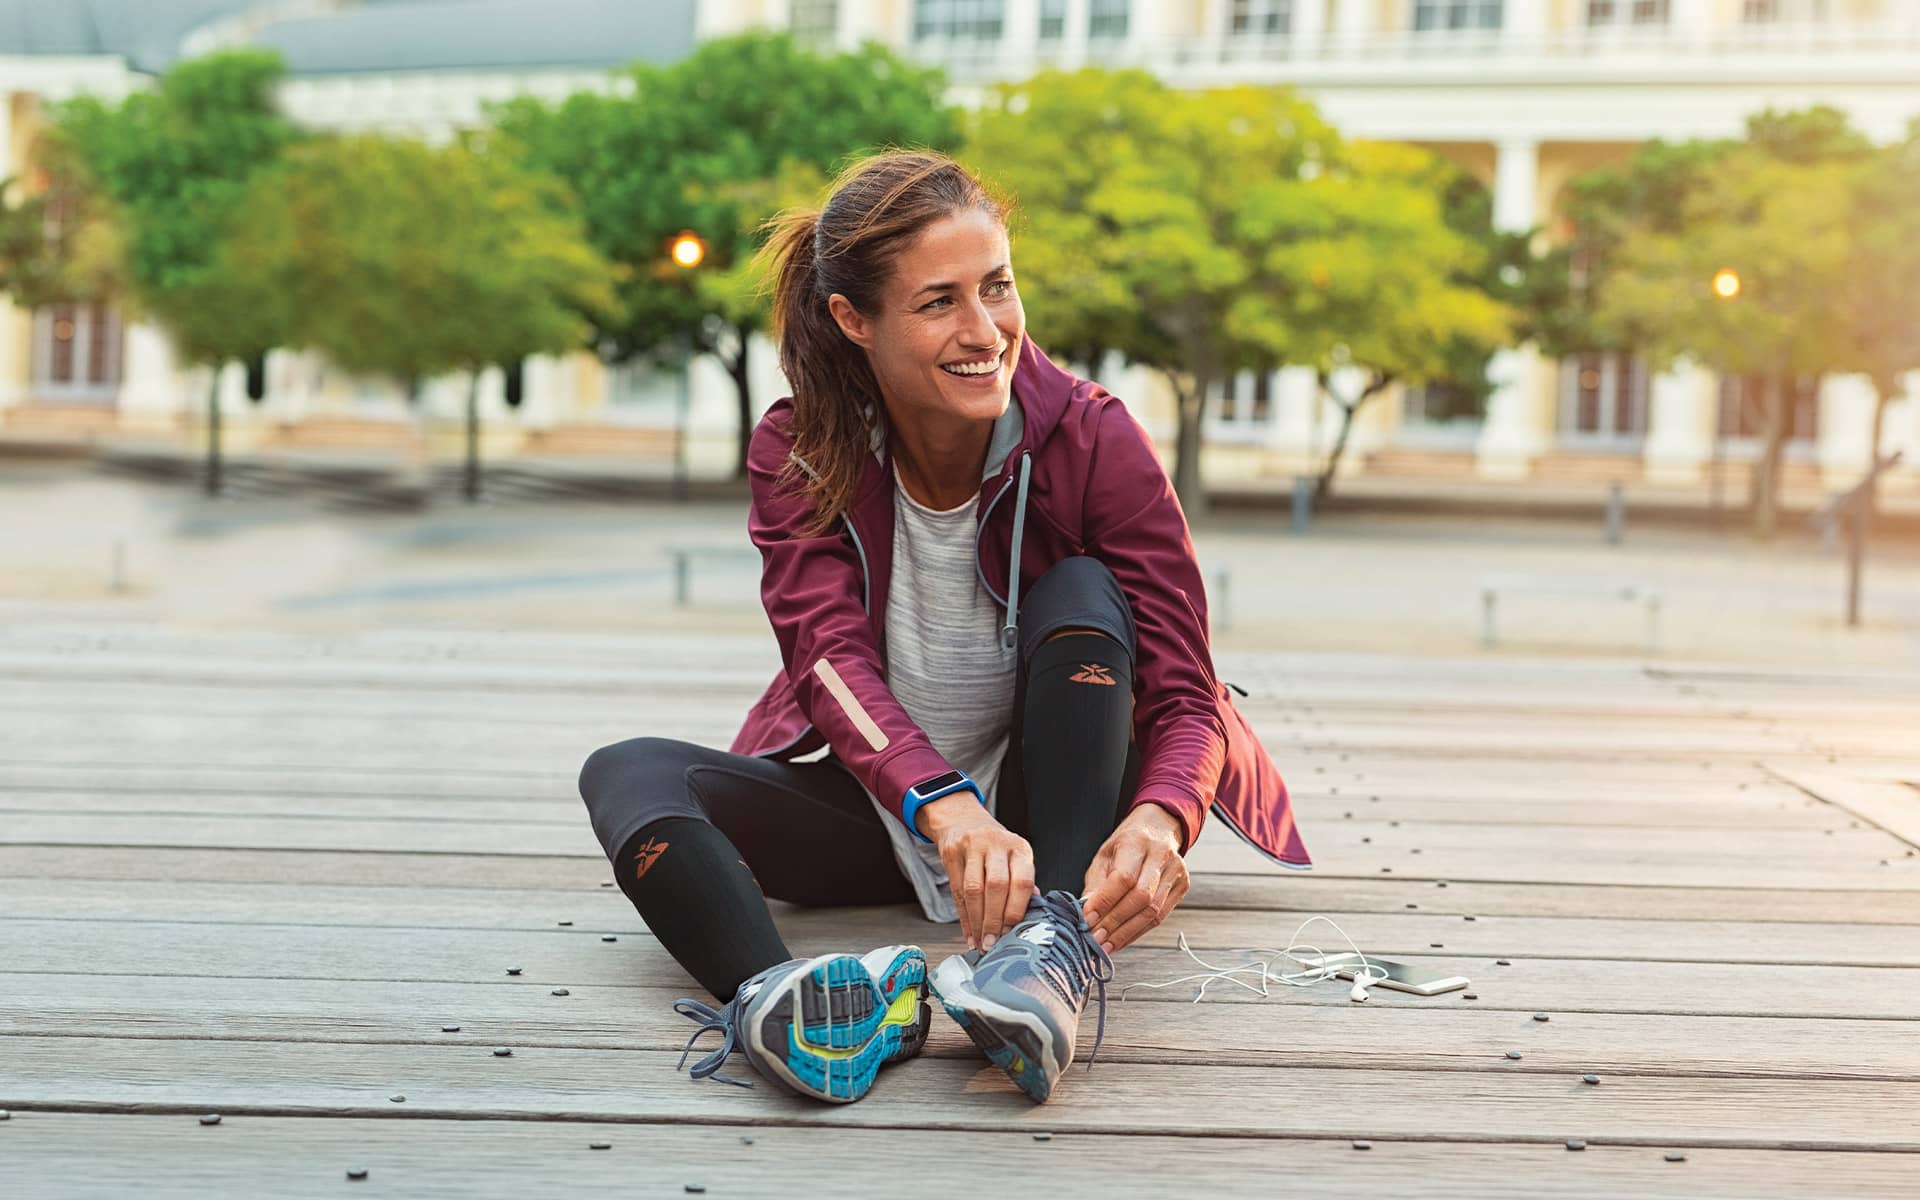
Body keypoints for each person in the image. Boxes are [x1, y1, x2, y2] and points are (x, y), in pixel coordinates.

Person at [579, 149, 1310, 1106]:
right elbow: (825, 660)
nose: (986, 330)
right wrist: (943, 803)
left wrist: (1162, 815)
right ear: (854, 320)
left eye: (997, 288)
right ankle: (777, 1001)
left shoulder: (1094, 438)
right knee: (626, 771)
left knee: (1085, 592)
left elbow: (1184, 690)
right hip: (893, 809)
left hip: (1064, 815)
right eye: (939, 302)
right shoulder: (800, 448)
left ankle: (1049, 953)